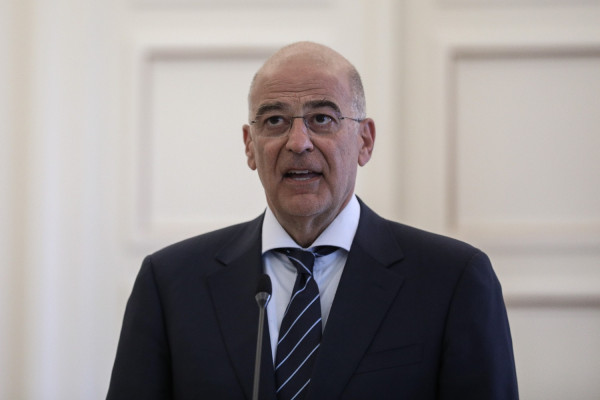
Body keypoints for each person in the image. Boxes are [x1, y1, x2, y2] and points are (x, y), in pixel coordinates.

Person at [106, 41, 518, 400]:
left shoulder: (453, 280)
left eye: (322, 118)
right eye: (275, 121)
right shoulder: (171, 283)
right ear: (250, 146)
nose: (298, 142)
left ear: (365, 141)